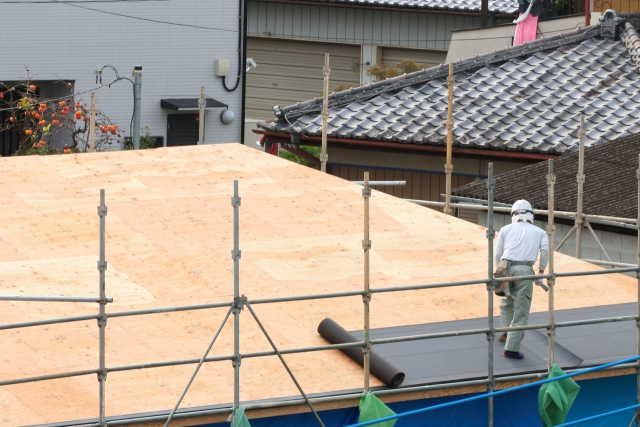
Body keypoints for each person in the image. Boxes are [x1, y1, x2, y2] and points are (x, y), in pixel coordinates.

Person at [495, 199, 548, 359]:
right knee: (521, 310)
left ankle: (505, 333)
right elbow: (545, 251)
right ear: (531, 215)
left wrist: (498, 272)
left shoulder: (505, 229)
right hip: (524, 270)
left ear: (513, 214)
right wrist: (540, 273)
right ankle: (511, 349)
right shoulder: (540, 232)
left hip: (504, 267)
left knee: (506, 300)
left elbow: (497, 254)